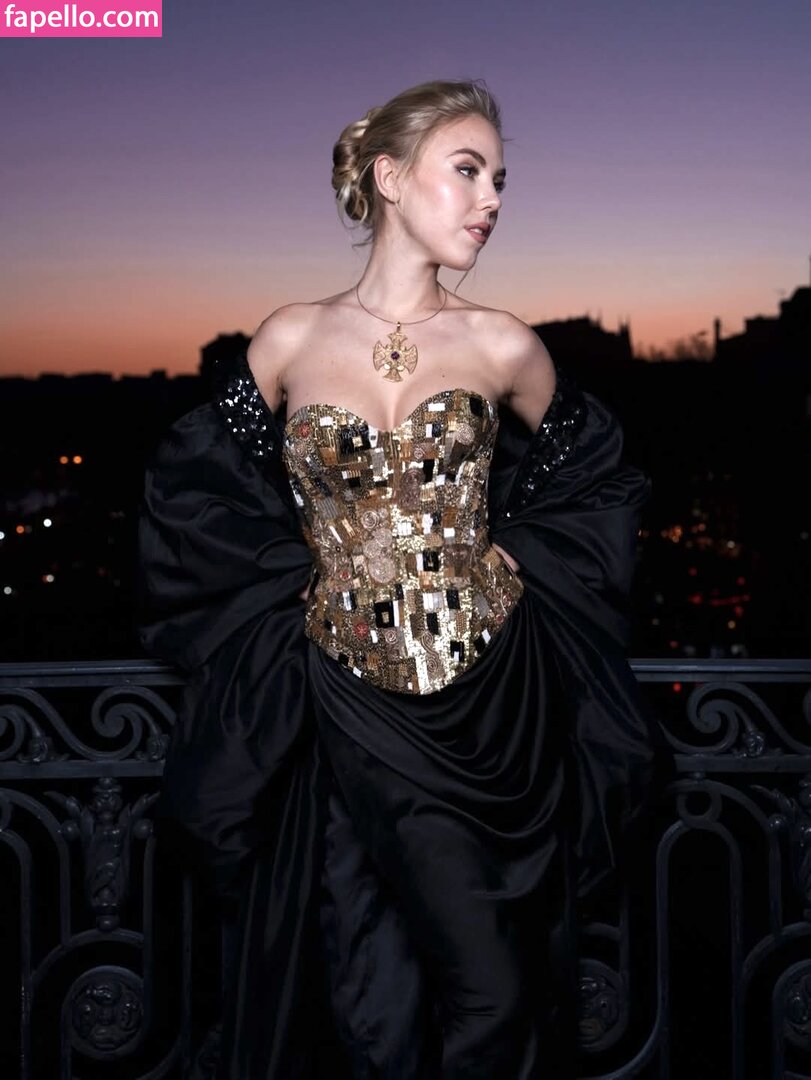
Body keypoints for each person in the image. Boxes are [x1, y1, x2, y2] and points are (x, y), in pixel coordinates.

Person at [138, 79, 661, 1080]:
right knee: (366, 995)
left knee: (496, 987)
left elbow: (598, 475)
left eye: (499, 179)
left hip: (492, 703)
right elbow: (194, 489)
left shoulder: (504, 344)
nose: (491, 199)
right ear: (388, 177)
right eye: (467, 170)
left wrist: (517, 551)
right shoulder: (288, 339)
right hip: (343, 696)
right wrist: (294, 578)